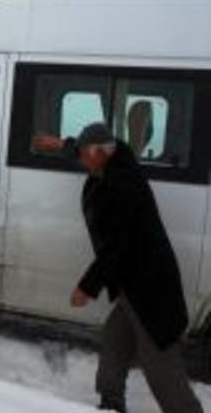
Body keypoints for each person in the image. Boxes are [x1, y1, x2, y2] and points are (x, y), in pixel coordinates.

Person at [33, 123, 202, 413]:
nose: (80, 161)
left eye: (84, 155)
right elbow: (84, 148)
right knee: (114, 345)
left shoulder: (122, 186)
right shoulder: (110, 158)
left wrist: (86, 287)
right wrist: (61, 144)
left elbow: (115, 249)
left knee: (162, 370)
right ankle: (111, 404)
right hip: (131, 289)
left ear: (99, 154)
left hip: (149, 292)